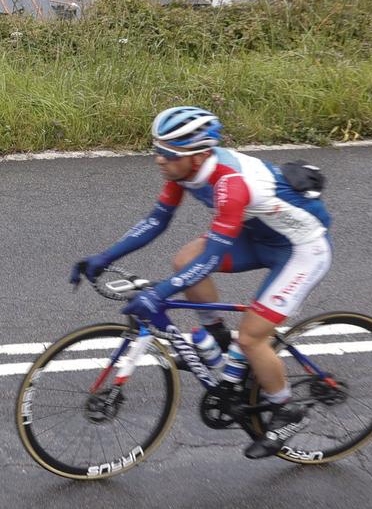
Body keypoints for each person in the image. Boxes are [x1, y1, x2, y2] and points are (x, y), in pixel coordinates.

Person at [70, 105, 331, 458]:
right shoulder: (182, 172)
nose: (159, 160)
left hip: (301, 249)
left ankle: (287, 410)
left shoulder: (230, 183)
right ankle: (220, 339)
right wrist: (104, 257)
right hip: (258, 235)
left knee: (254, 337)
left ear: (199, 155)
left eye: (168, 153)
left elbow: (211, 258)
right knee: (184, 259)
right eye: (156, 149)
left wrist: (160, 293)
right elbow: (156, 221)